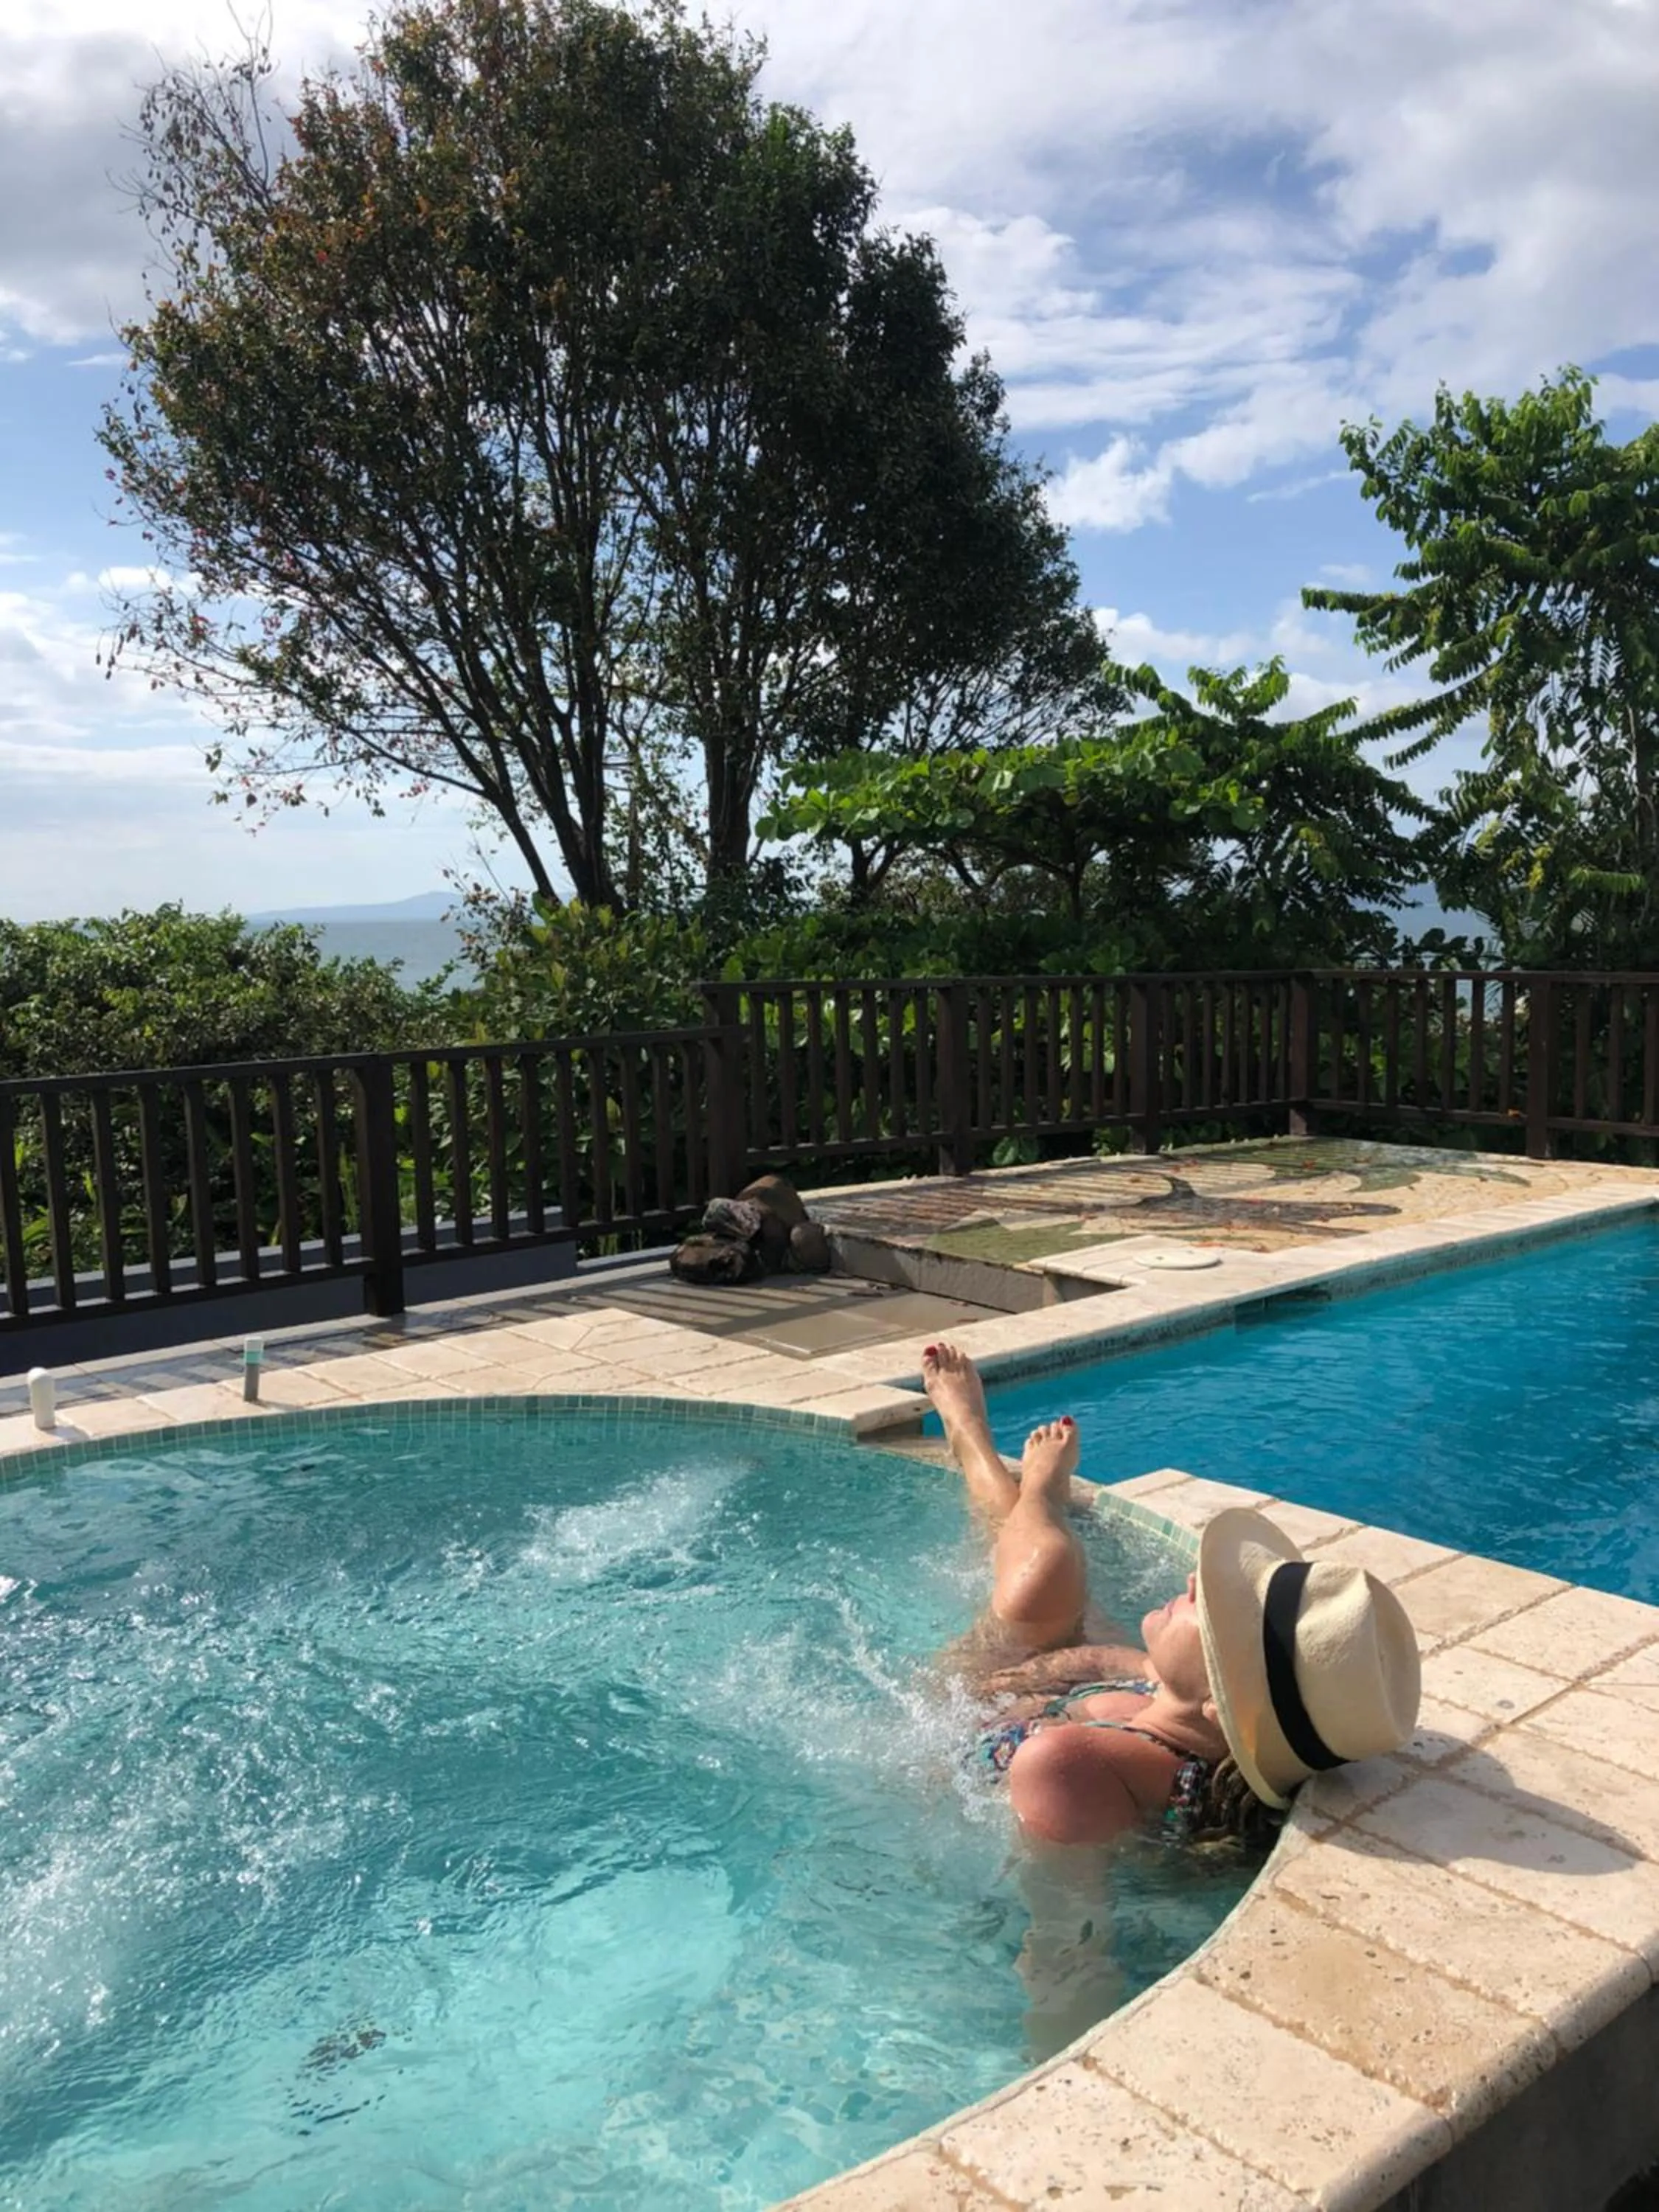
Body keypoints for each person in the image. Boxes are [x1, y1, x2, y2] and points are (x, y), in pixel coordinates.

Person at [921, 1343, 1422, 1848]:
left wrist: (986, 1682)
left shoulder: (1069, 1768)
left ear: (1219, 1700)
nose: (1193, 1583)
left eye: (1217, 1607)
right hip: (1027, 1688)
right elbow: (1117, 1662)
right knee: (1043, 1569)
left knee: (1042, 1569)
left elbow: (1062, 1916)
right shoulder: (1197, 1723)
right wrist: (1031, 1674)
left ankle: (993, 1455)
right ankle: (1037, 1496)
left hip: (959, 1707)